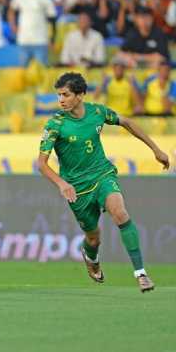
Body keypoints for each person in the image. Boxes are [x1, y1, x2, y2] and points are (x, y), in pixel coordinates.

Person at [38, 72, 169, 293]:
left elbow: (126, 121)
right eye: (59, 95)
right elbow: (41, 163)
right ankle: (91, 257)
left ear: (80, 95)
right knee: (93, 236)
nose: (61, 100)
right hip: (77, 188)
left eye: (66, 95)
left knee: (120, 213)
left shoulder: (97, 112)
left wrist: (156, 149)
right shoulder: (55, 124)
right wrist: (62, 183)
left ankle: (141, 273)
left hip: (102, 175)